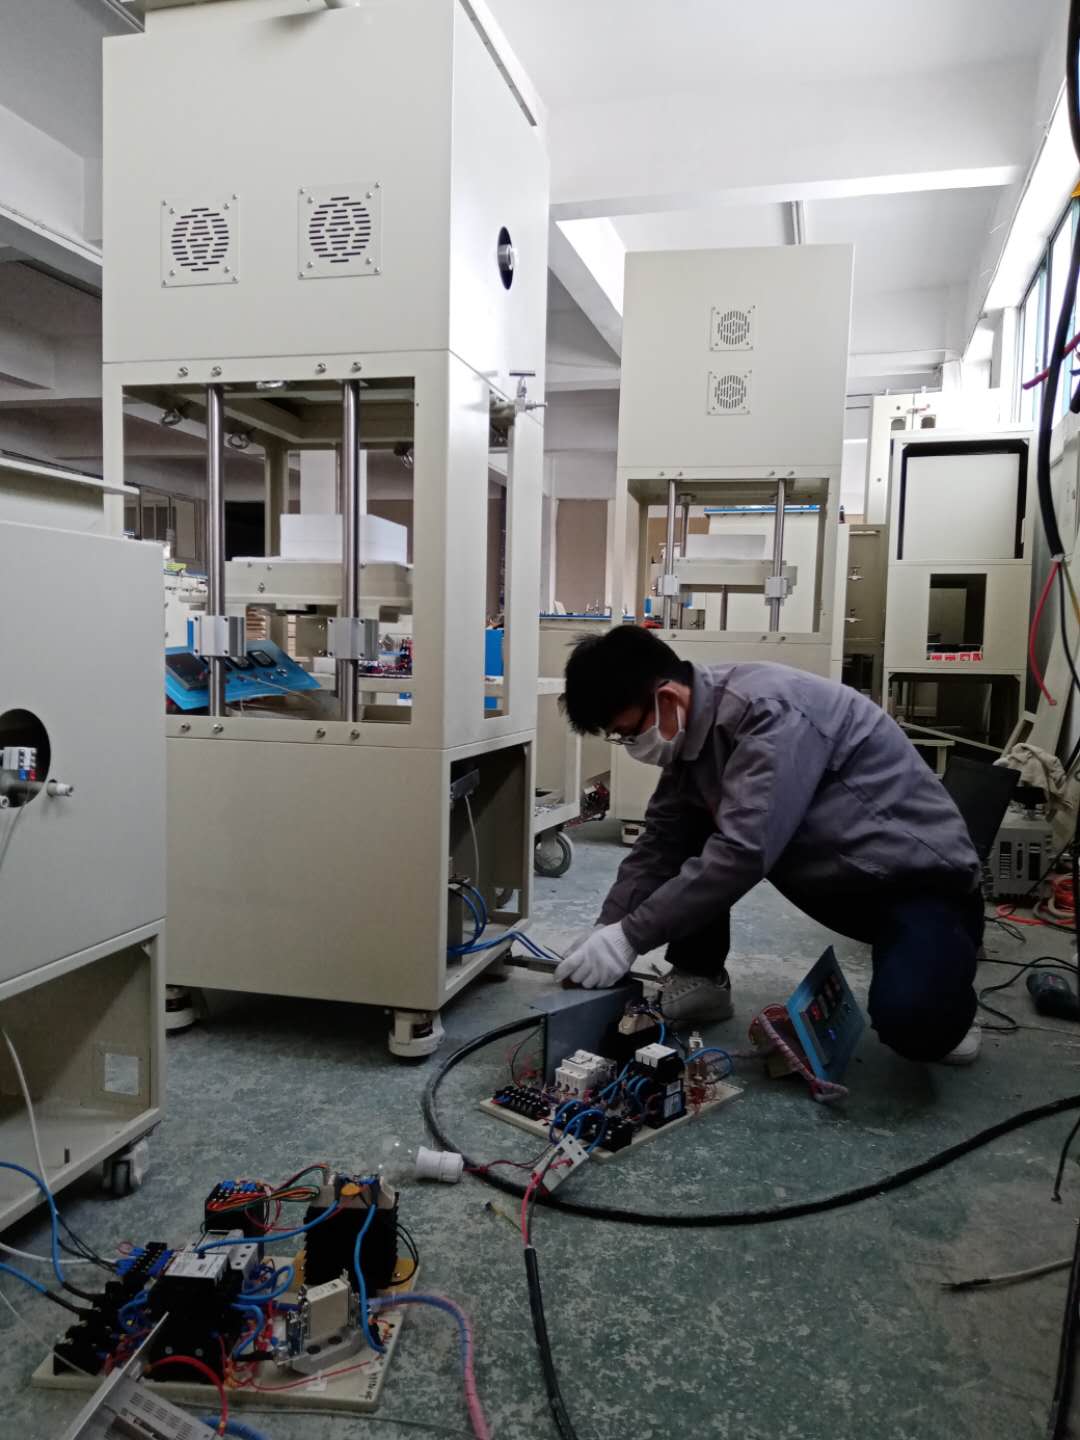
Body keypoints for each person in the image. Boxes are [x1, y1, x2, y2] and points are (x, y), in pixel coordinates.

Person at [555, 625, 984, 1066]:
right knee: (686, 827)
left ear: (667, 698)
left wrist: (630, 936)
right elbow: (661, 842)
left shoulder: (769, 711)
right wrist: (607, 926)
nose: (629, 746)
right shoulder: (694, 730)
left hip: (920, 884)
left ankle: (950, 991)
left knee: (914, 1021)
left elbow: (745, 851)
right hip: (839, 879)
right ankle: (701, 974)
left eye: (627, 733)